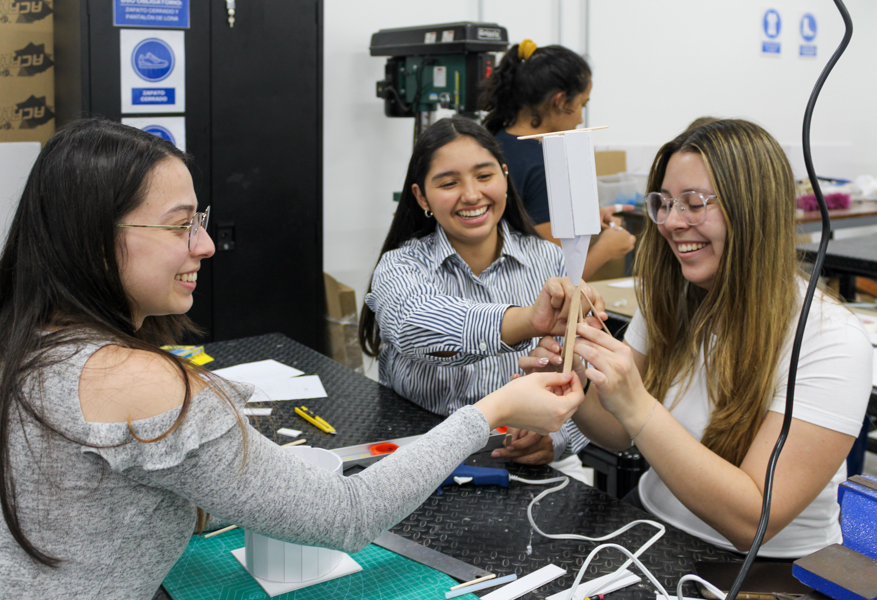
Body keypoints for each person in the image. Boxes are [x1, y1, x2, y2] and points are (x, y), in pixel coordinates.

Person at [0, 119, 587, 598]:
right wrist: (497, 405)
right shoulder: (134, 380)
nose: (207, 245)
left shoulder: (19, 342)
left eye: (202, 221)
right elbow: (344, 515)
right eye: (181, 225)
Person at [520, 119, 872, 559]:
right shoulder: (672, 297)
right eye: (664, 203)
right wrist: (580, 369)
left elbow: (753, 522)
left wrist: (637, 404)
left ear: (754, 207)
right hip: (649, 522)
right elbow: (616, 433)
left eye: (693, 203)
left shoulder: (830, 339)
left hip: (763, 567)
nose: (670, 222)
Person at [360, 115, 604, 471]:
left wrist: (557, 438)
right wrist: (526, 321)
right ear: (421, 196)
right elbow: (414, 322)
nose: (472, 194)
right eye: (448, 183)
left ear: (505, 177)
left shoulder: (550, 258)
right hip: (420, 460)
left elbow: (587, 380)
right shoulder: (401, 266)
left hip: (525, 467)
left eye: (485, 176)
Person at [480, 39, 635, 279]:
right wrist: (606, 249)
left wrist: (586, 221)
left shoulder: (493, 141)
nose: (581, 119)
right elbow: (555, 277)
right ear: (561, 102)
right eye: (582, 104)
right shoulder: (543, 165)